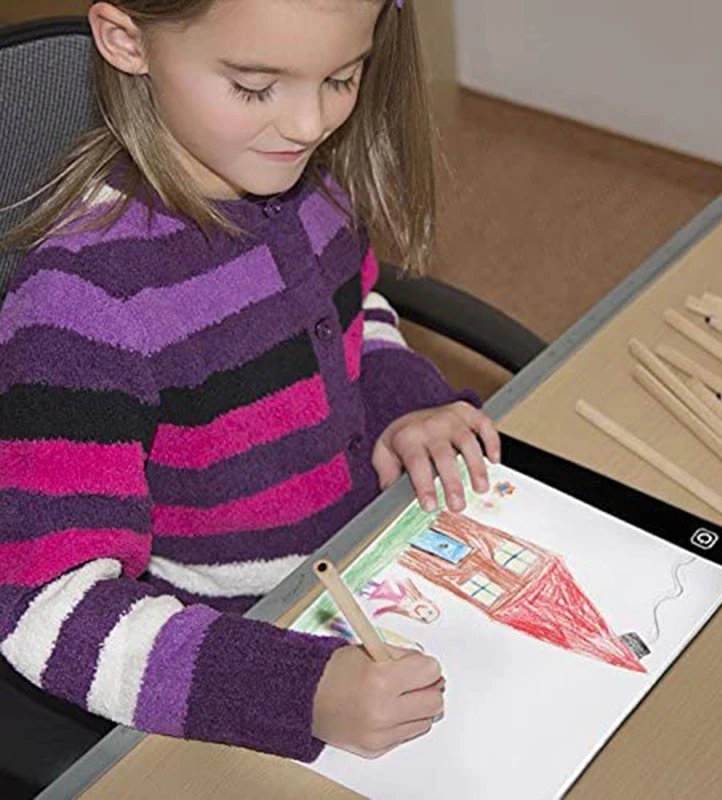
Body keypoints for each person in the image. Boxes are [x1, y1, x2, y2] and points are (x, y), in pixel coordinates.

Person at [0, 0, 502, 791]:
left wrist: (406, 404)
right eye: (256, 87)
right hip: (231, 657)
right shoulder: (84, 305)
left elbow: (355, 313)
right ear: (126, 41)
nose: (309, 124)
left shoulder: (306, 182)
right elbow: (45, 610)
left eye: (341, 78)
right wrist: (296, 692)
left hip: (364, 569)